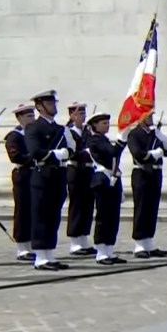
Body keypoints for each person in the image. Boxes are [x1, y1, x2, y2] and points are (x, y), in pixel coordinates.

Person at [24, 90, 75, 271]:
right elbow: (35, 151)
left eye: (54, 103)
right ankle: (40, 257)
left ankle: (49, 255)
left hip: (58, 176)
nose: (54, 106)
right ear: (40, 106)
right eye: (50, 103)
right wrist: (56, 154)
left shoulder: (60, 129)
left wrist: (65, 153)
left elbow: (71, 150)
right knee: (41, 217)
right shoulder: (33, 128)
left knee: (53, 216)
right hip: (42, 176)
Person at [127, 112, 167, 259]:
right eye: (148, 116)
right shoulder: (134, 134)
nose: (151, 118)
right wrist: (152, 154)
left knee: (152, 208)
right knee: (141, 208)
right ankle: (139, 243)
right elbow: (138, 153)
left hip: (155, 174)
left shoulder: (155, 134)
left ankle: (148, 242)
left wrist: (164, 140)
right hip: (142, 174)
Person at [85, 112, 128, 265]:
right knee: (104, 216)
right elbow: (112, 152)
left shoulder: (104, 139)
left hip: (112, 178)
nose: (107, 125)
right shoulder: (94, 140)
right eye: (103, 123)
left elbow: (115, 157)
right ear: (94, 125)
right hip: (102, 180)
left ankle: (109, 250)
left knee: (113, 217)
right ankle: (101, 252)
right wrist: (122, 141)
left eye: (107, 123)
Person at [4, 104, 36, 262]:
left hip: (34, 174)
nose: (32, 119)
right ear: (20, 118)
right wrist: (36, 156)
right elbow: (16, 157)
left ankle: (31, 244)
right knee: (23, 211)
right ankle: (22, 248)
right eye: (29, 116)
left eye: (33, 115)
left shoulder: (33, 133)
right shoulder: (14, 136)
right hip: (22, 175)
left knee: (33, 211)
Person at [65, 102, 96, 256]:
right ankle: (75, 242)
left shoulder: (87, 132)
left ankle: (84, 238)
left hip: (88, 170)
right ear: (71, 115)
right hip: (75, 170)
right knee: (77, 205)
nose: (82, 116)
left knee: (87, 205)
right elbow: (71, 152)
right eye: (78, 113)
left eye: (84, 113)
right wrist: (85, 152)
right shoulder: (68, 132)